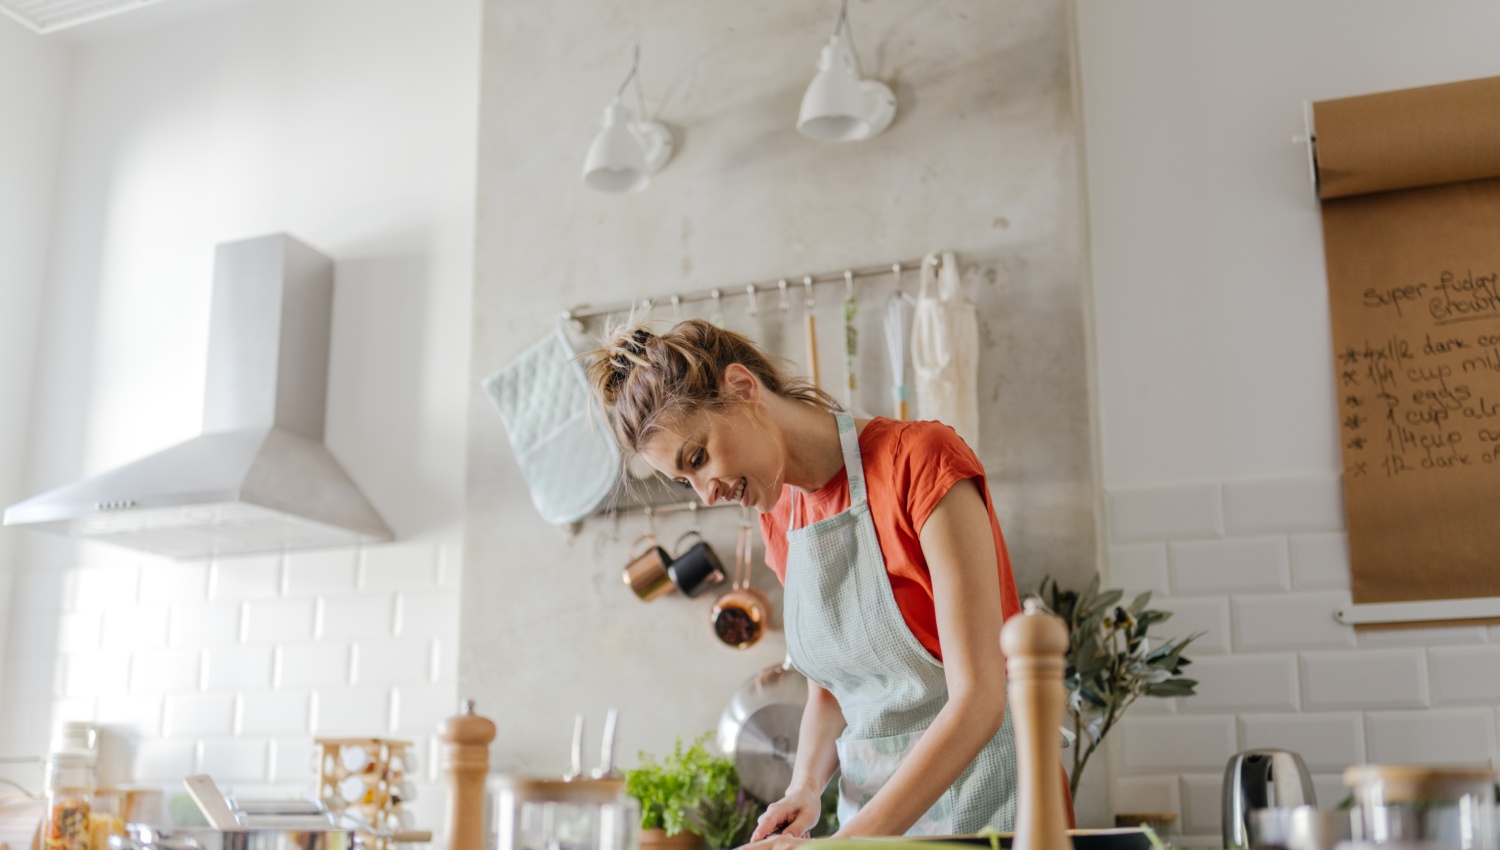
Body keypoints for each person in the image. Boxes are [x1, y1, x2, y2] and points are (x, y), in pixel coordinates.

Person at [584, 319, 1065, 846]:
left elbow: (979, 701)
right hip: (871, 830)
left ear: (742, 388)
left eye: (698, 458)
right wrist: (805, 787)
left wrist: (848, 844)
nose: (706, 494)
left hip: (991, 813)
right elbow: (833, 689)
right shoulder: (779, 518)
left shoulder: (920, 463)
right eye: (685, 481)